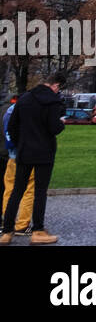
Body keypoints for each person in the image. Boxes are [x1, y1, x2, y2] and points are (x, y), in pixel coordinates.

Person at [0, 70, 67, 245]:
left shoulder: (24, 99)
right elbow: (54, 128)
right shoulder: (52, 102)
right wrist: (61, 125)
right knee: (39, 192)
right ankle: (37, 230)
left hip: (24, 151)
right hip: (44, 152)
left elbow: (12, 127)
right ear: (55, 85)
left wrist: (20, 143)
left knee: (17, 191)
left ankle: (7, 230)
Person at [2, 96, 34, 237]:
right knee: (28, 189)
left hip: (11, 154)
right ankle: (22, 224)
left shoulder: (8, 111)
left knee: (9, 188)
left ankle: (7, 220)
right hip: (26, 154)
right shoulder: (27, 111)